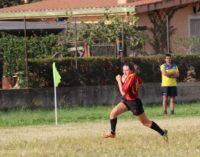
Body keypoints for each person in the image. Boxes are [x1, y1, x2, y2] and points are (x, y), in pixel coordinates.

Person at [102, 62, 168, 142]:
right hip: (126, 100)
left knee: (146, 123)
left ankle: (163, 133)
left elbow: (123, 93)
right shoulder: (133, 77)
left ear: (131, 70)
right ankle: (112, 133)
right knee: (113, 114)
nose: (124, 72)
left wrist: (119, 81)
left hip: (134, 103)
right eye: (123, 70)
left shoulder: (131, 78)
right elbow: (140, 82)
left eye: (126, 70)